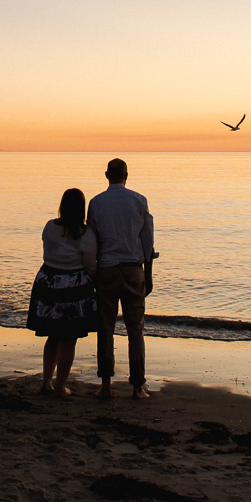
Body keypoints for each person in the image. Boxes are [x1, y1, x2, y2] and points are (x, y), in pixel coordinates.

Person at [87, 158, 155, 401]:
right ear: (127, 175)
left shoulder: (96, 203)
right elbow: (147, 242)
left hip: (106, 269)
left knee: (105, 327)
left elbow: (91, 241)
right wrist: (148, 274)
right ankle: (137, 386)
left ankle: (106, 385)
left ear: (107, 175)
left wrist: (91, 272)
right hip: (132, 269)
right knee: (135, 328)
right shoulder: (139, 200)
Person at [26, 188, 98, 397]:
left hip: (47, 282)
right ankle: (60, 385)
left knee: (53, 336)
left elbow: (47, 250)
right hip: (73, 287)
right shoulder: (86, 233)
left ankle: (46, 382)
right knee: (69, 338)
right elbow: (90, 266)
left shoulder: (50, 226)